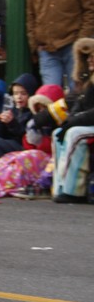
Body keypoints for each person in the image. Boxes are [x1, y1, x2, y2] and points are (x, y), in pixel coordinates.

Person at [50, 38, 94, 203]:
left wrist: (73, 122)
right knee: (58, 133)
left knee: (75, 134)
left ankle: (74, 190)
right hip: (89, 124)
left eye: (92, 55)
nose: (89, 59)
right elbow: (79, 105)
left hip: (90, 125)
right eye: (87, 56)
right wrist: (68, 122)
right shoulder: (88, 82)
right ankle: (59, 187)